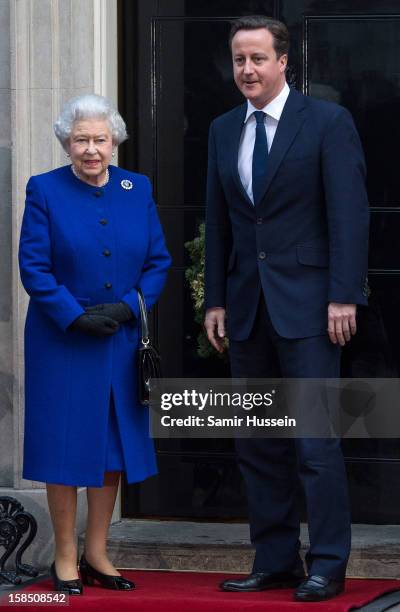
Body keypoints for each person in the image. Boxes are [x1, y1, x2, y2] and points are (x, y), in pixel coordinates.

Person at [204, 16, 369, 603]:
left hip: (312, 308)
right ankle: (274, 559)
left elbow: (349, 213)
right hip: (246, 309)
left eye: (257, 58)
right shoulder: (224, 129)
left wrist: (344, 293)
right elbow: (219, 220)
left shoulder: (327, 122)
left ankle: (328, 563)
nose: (246, 69)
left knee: (314, 441)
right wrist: (215, 300)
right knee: (257, 441)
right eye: (238, 60)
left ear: (283, 62)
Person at [18, 94, 171, 594]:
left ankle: (98, 553)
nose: (91, 150)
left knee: (110, 448)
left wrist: (131, 306)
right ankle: (65, 557)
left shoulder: (136, 187)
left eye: (100, 140)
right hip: (62, 341)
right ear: (66, 142)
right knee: (65, 446)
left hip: (120, 339)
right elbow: (34, 267)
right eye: (81, 139)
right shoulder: (44, 189)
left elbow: (158, 261)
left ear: (115, 142)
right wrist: (73, 315)